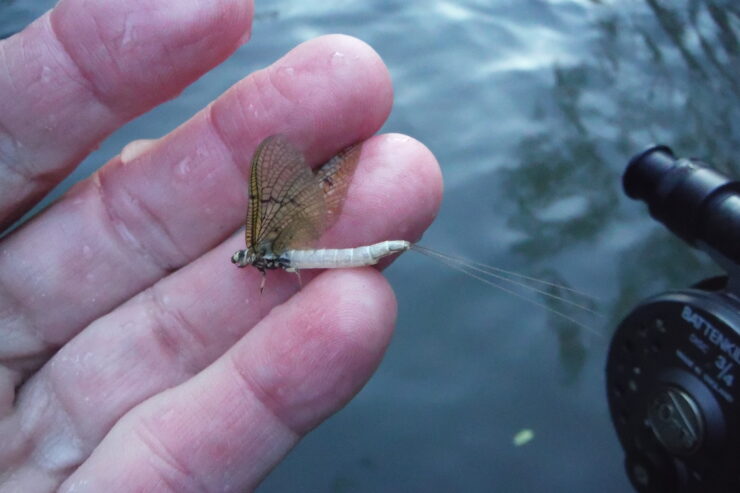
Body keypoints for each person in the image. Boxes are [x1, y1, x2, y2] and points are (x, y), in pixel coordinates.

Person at [0, 1, 442, 491]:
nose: (242, 262)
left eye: (243, 260)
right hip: (311, 250)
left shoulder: (261, 252)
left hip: (316, 253)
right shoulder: (266, 247)